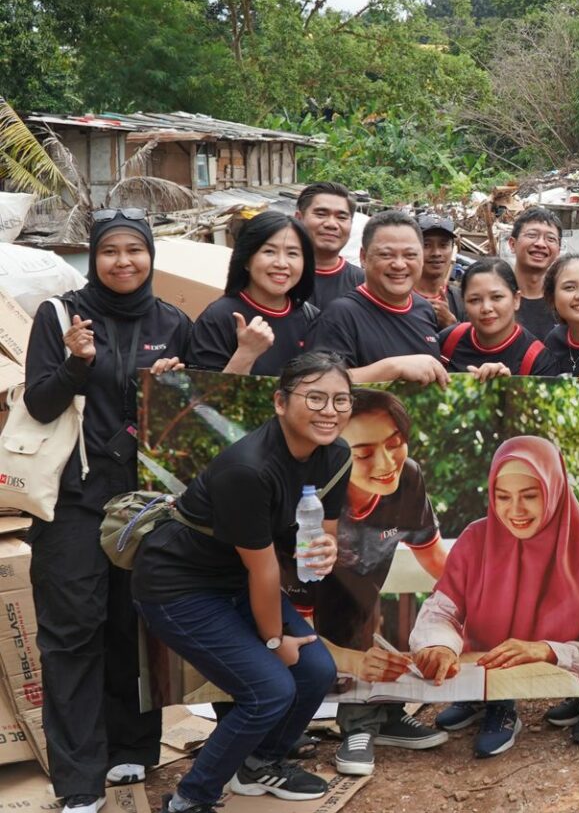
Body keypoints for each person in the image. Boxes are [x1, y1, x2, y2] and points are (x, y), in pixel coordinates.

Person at [21, 209, 192, 813]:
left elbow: (192, 420)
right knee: (72, 633)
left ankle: (133, 747)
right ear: (92, 258)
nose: (124, 262)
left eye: (135, 250)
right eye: (110, 251)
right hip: (74, 501)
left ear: (150, 256)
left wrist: (173, 387)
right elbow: (40, 406)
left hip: (146, 503)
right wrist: (75, 364)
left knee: (132, 624)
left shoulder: (172, 322)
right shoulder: (60, 315)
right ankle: (78, 782)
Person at [133, 352, 349, 812]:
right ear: (279, 401)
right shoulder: (248, 468)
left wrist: (328, 547)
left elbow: (322, 532)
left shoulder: (336, 455)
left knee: (317, 672)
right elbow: (265, 570)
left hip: (238, 580)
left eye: (340, 400)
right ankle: (191, 798)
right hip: (180, 587)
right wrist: (275, 642)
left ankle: (260, 763)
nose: (330, 411)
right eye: (315, 397)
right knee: (270, 689)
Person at [412, 436, 579, 753]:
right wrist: (439, 644)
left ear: (554, 490)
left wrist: (547, 650)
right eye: (502, 496)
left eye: (530, 496)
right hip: (489, 674)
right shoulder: (476, 539)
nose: (514, 510)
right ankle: (488, 702)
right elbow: (440, 612)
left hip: (571, 675)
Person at [288, 388, 452, 776]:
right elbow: (291, 624)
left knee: (375, 633)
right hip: (295, 612)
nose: (385, 463)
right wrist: (352, 662)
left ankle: (386, 716)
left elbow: (433, 557)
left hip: (360, 600)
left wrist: (474, 607)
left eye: (395, 444)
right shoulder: (306, 502)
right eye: (362, 454)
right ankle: (355, 729)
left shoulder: (407, 479)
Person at [308, 210, 447, 385]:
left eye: (410, 255)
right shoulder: (340, 316)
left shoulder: (424, 309)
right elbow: (317, 383)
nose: (399, 264)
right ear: (364, 257)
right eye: (386, 254)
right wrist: (393, 368)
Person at [188, 211, 317, 375]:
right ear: (246, 260)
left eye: (292, 254)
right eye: (269, 251)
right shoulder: (218, 318)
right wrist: (246, 354)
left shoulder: (311, 318)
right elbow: (203, 394)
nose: (281, 263)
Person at [438, 259, 547, 378]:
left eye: (496, 297)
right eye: (475, 300)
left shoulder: (538, 359)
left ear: (516, 299)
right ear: (463, 303)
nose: (486, 308)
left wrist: (510, 387)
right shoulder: (447, 340)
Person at [296, 182, 364, 310]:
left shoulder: (365, 284)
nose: (331, 224)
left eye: (341, 217)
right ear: (299, 218)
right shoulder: (278, 276)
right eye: (321, 214)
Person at [507, 207, 562, 340]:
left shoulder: (563, 301)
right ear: (512, 244)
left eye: (550, 239)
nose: (541, 244)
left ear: (558, 250)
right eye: (532, 235)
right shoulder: (497, 297)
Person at [416, 214, 465, 329]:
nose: (436, 253)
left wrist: (452, 325)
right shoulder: (400, 297)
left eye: (443, 245)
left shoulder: (462, 300)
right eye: (426, 245)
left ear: (453, 249)